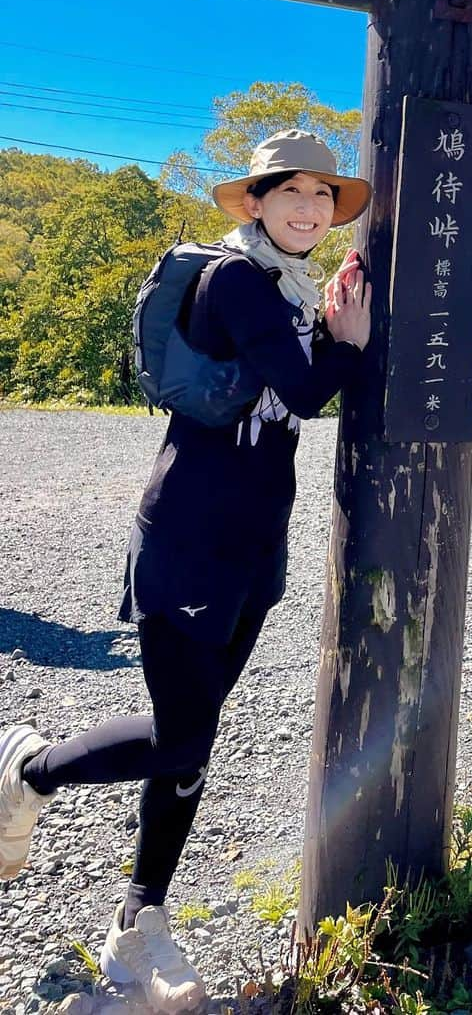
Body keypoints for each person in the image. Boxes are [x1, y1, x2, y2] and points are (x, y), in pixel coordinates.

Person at [0, 130, 373, 1013]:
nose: (312, 209)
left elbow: (293, 379)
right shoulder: (239, 279)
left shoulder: (290, 288)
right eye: (294, 192)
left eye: (325, 195)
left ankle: (141, 924)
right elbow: (313, 391)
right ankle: (29, 769)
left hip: (254, 540)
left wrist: (327, 327)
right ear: (254, 200)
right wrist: (347, 342)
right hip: (189, 537)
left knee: (192, 737)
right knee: (183, 738)